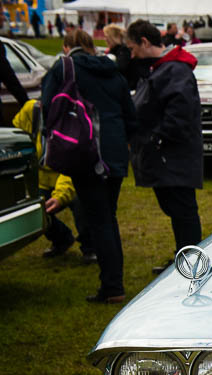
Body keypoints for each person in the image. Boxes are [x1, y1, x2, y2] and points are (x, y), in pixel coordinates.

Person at [40, 29, 136, 303]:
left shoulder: (63, 68)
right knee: (109, 216)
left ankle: (112, 285)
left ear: (67, 46)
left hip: (84, 150)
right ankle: (113, 280)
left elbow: (48, 107)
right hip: (115, 150)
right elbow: (130, 114)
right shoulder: (113, 70)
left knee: (100, 219)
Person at [125, 20, 204, 275]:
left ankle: (191, 261)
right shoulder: (161, 70)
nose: (131, 54)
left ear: (144, 42)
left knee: (182, 211)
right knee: (176, 211)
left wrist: (156, 139)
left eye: (132, 48)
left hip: (173, 158)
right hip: (166, 158)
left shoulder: (174, 71)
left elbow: (180, 114)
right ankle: (183, 256)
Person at [13, 99, 81, 260]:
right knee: (28, 207)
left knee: (82, 202)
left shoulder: (74, 115)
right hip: (40, 178)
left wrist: (60, 196)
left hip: (68, 177)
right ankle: (62, 239)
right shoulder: (32, 110)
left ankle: (90, 247)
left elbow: (73, 165)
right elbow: (18, 144)